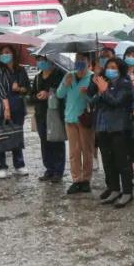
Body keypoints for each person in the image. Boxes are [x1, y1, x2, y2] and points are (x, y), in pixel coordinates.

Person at [88, 57, 134, 206]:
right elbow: (92, 101)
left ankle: (127, 191)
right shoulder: (104, 82)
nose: (110, 70)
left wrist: (105, 91)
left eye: (114, 67)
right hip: (102, 127)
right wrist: (99, 89)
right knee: (108, 161)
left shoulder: (125, 84)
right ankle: (114, 189)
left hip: (118, 128)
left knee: (122, 161)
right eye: (108, 67)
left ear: (120, 69)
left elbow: (117, 102)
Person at [0, 45, 30, 178]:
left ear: (13, 54)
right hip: (0, 107)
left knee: (16, 134)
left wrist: (19, 89)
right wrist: (6, 108)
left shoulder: (21, 70)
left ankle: (19, 164)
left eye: (7, 52)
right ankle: (2, 166)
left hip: (18, 106)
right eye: (2, 53)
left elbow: (27, 88)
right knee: (1, 136)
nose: (4, 55)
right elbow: (0, 91)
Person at [57, 52, 94, 194]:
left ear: (88, 61)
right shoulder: (69, 76)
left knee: (87, 150)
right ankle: (76, 179)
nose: (79, 62)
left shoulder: (92, 77)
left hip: (85, 119)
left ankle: (86, 179)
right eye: (77, 59)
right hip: (70, 119)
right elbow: (60, 94)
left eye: (82, 59)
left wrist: (88, 94)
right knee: (74, 151)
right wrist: (65, 84)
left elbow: (96, 99)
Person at [28, 55, 65, 182]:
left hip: (55, 113)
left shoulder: (59, 74)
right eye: (38, 60)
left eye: (43, 60)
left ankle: (58, 171)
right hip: (41, 114)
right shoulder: (38, 77)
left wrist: (49, 94)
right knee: (44, 141)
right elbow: (31, 96)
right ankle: (49, 169)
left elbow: (62, 93)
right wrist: (38, 96)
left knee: (56, 141)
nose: (40, 62)